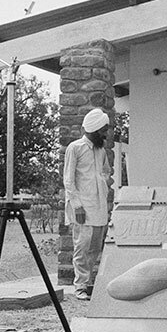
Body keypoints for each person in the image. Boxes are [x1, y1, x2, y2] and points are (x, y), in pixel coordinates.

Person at [63, 108, 111, 300]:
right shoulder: (75, 148)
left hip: (99, 205)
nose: (105, 133)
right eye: (103, 130)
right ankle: (80, 286)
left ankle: (88, 283)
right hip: (82, 207)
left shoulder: (101, 151)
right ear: (94, 129)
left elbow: (106, 171)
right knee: (82, 247)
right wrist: (77, 206)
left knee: (95, 248)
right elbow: (68, 180)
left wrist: (102, 183)